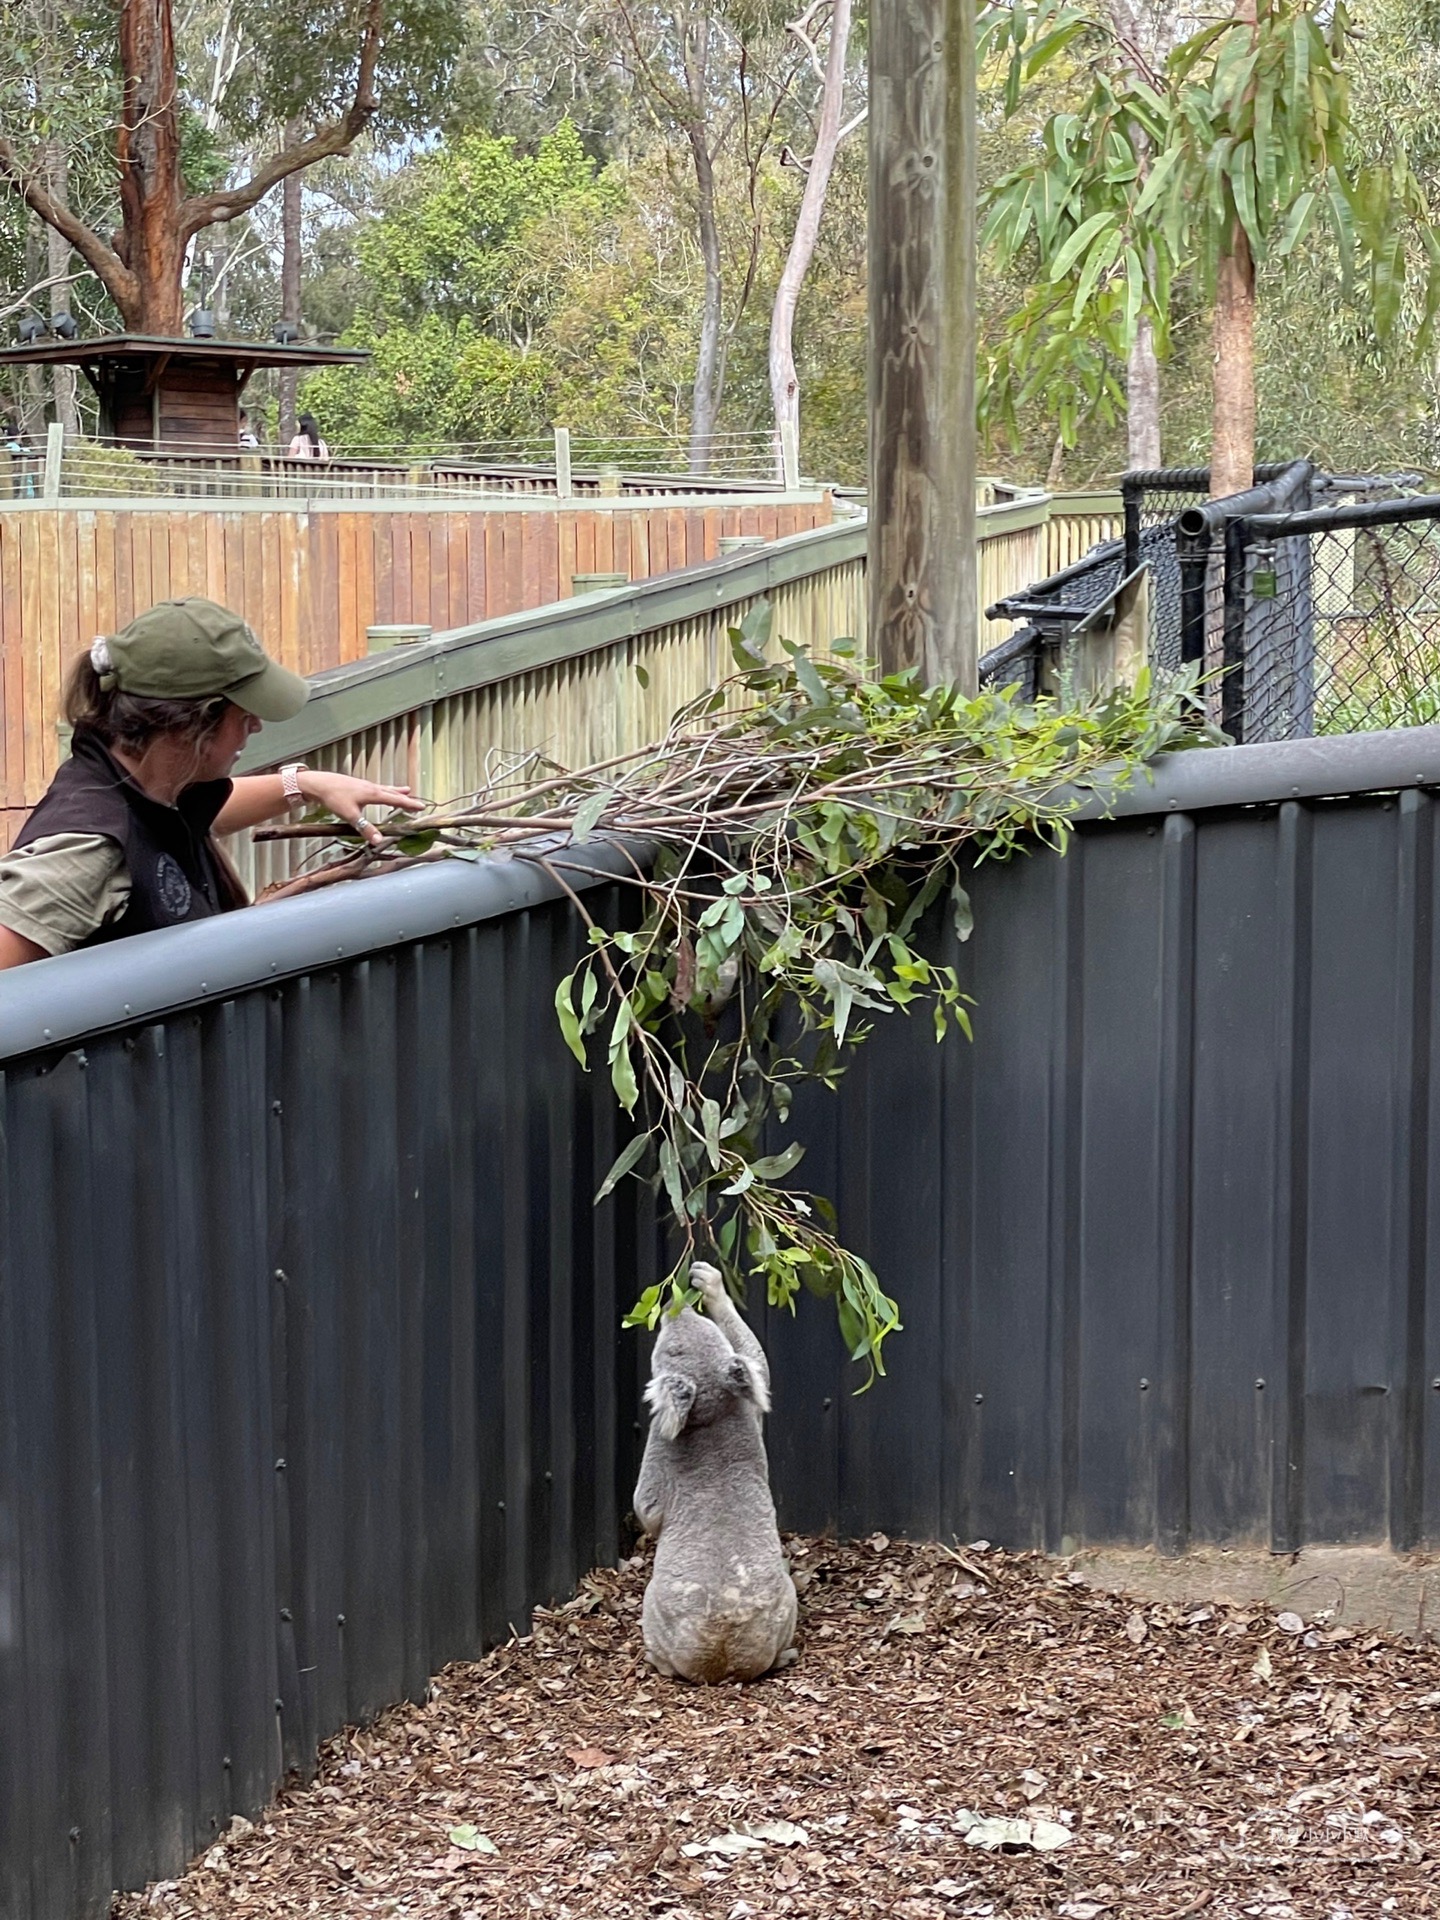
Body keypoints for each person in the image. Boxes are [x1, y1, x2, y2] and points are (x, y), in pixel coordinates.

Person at [0, 597, 422, 967]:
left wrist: (307, 785)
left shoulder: (150, 789)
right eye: (244, 715)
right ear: (191, 724)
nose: (256, 726)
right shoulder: (89, 849)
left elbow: (197, 814)